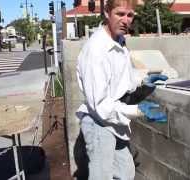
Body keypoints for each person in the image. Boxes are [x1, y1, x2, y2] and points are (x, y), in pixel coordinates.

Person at [76, 0, 168, 179]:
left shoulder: (119, 41)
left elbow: (123, 79)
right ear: (106, 13)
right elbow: (101, 106)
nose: (126, 20)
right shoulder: (96, 51)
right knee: (101, 176)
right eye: (120, 14)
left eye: (130, 15)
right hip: (99, 123)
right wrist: (137, 110)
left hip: (114, 119)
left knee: (125, 172)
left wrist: (144, 80)